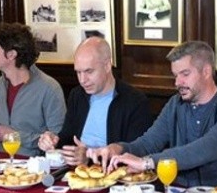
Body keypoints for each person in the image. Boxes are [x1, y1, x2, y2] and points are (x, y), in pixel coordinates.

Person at [91, 40, 217, 188]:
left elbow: (208, 147)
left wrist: (148, 163)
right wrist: (118, 148)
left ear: (206, 71)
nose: (177, 83)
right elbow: (149, 143)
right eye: (175, 76)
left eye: (185, 74)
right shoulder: (175, 104)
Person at [37, 37, 153, 166]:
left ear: (107, 66)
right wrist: (53, 141)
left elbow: (135, 154)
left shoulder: (135, 101)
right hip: (76, 172)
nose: (82, 80)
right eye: (78, 72)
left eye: (89, 71)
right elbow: (68, 139)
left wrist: (89, 158)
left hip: (113, 176)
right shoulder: (78, 95)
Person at [0, 22, 65, 156]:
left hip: (34, 168)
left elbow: (58, 139)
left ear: (11, 54)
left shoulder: (49, 88)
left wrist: (14, 135)